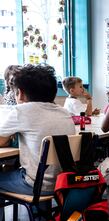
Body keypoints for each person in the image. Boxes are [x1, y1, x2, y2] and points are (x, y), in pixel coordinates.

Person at [0, 64, 76, 195]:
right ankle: (40, 215)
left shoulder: (21, 111)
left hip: (35, 185)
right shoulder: (64, 112)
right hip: (63, 183)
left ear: (21, 93)